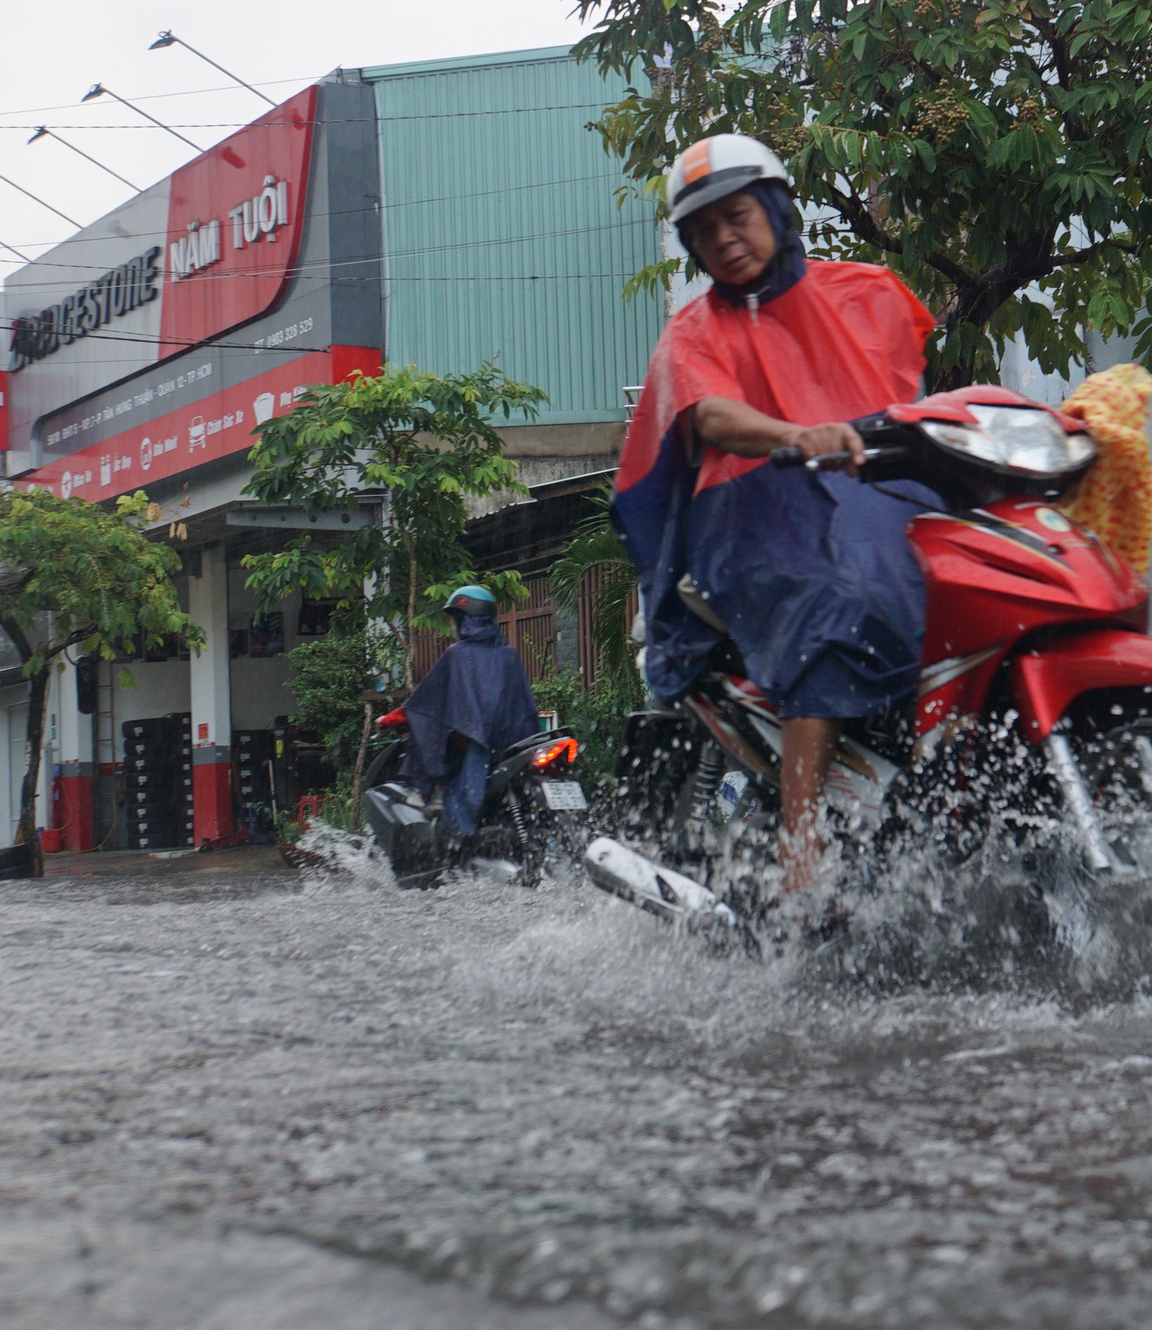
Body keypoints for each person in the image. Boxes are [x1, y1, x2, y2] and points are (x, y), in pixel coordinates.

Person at [611, 133, 940, 894]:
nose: (724, 240)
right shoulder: (693, 331)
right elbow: (714, 416)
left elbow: (920, 395)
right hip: (751, 513)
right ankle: (801, 844)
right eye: (703, 231)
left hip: (873, 491)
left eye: (737, 216)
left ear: (776, 208)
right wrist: (796, 434)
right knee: (833, 595)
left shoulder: (865, 291)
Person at [402, 586, 540, 840]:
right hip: (511, 747)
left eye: (456, 619)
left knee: (449, 774)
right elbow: (524, 707)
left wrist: (394, 718)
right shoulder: (508, 655)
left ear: (465, 619)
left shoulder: (457, 654)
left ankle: (457, 837)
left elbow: (428, 704)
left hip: (474, 749)